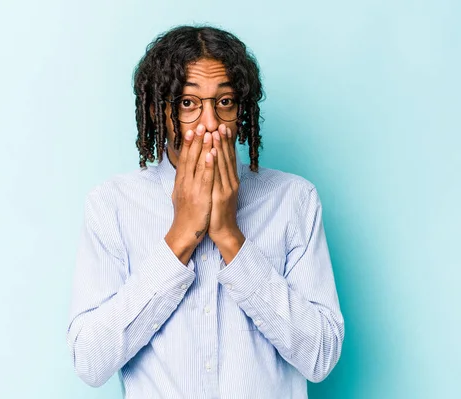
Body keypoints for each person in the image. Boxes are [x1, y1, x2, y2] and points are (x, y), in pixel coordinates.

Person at [66, 25, 344, 399]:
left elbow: (322, 356)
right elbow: (90, 361)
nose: (210, 124)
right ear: (157, 110)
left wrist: (231, 237)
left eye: (224, 102)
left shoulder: (293, 200)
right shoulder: (112, 205)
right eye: (188, 103)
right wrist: (181, 237)